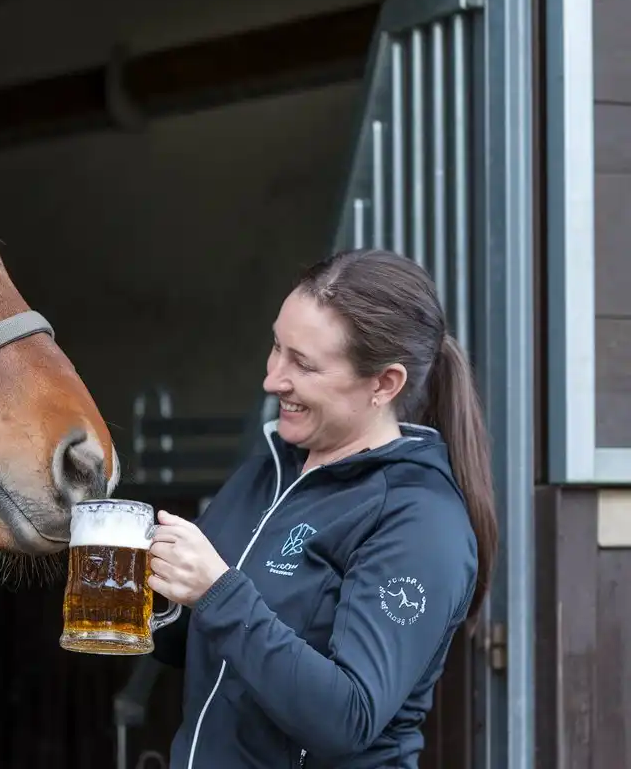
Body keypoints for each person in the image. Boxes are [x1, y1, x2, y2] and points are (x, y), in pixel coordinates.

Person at [146, 248, 497, 769]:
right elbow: (196, 649)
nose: (273, 379)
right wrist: (146, 584)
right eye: (276, 347)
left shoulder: (420, 521)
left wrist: (217, 592)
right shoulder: (270, 470)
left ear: (385, 383)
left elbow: (347, 717)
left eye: (304, 365)